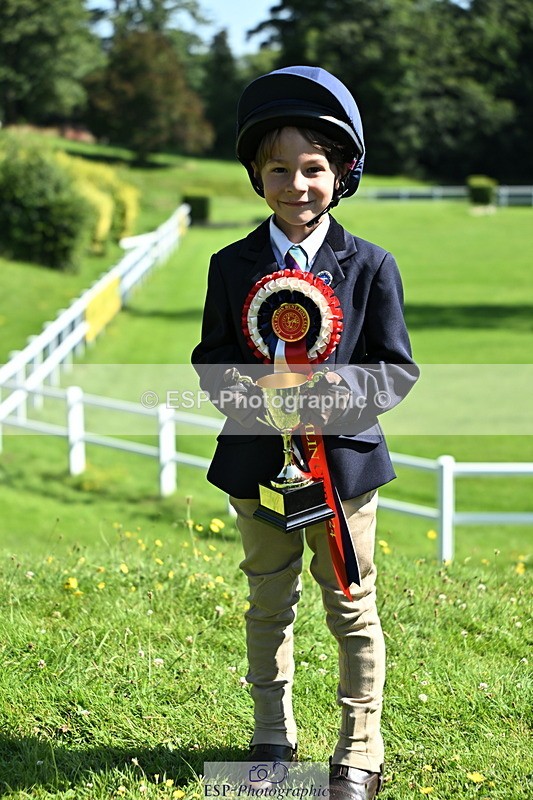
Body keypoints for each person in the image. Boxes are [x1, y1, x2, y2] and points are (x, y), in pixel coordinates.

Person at [192, 65, 418, 800]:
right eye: (279, 170)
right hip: (258, 467)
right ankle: (270, 737)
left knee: (350, 606)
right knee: (267, 600)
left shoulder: (372, 266)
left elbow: (394, 370)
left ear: (342, 172)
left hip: (343, 473)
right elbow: (210, 364)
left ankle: (358, 750)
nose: (297, 185)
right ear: (257, 176)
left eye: (313, 169)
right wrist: (266, 399)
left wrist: (322, 400)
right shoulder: (230, 267)